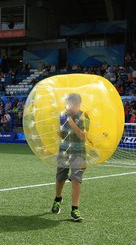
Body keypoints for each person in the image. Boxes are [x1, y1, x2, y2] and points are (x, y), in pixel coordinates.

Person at [51, 93, 90, 222]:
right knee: (60, 177)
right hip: (64, 151)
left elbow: (83, 136)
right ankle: (58, 198)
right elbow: (61, 135)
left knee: (76, 180)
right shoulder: (63, 116)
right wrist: (59, 130)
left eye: (70, 104)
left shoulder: (84, 116)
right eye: (67, 104)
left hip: (79, 153)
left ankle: (74, 209)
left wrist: (72, 124)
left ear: (77, 104)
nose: (68, 106)